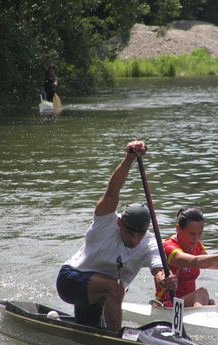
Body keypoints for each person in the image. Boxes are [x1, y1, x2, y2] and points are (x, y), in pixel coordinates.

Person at [56, 140, 177, 332]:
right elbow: (113, 190)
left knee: (90, 330)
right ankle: (115, 338)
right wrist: (129, 158)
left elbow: (158, 269)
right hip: (71, 280)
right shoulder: (105, 222)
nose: (135, 239)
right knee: (115, 288)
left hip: (99, 293)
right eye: (130, 232)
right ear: (120, 223)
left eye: (141, 234)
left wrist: (164, 279)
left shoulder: (150, 243)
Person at [155, 207, 218, 307]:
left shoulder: (197, 246)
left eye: (199, 233)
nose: (196, 238)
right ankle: (196, 320)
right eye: (192, 233)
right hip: (167, 304)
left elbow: (209, 263)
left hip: (184, 303)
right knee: (202, 293)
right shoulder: (168, 247)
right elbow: (195, 262)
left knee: (210, 303)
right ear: (178, 229)